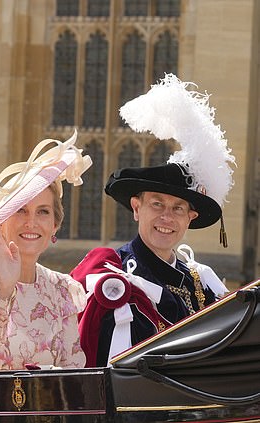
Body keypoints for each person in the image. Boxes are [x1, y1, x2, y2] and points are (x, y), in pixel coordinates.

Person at [73, 74, 234, 366]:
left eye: (177, 209)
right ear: (137, 208)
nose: (166, 217)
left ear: (190, 218)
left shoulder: (200, 282)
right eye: (156, 204)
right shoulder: (113, 275)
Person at [0, 132, 91, 371]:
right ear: (0, 222)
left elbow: (72, 370)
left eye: (43, 212)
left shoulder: (63, 289)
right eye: (20, 210)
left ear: (55, 225)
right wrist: (3, 291)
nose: (31, 222)